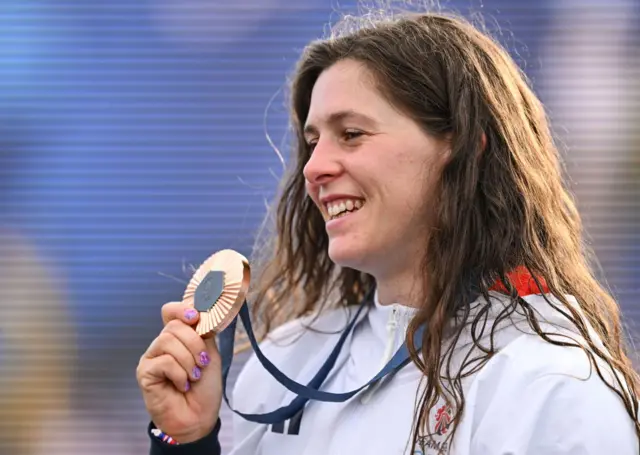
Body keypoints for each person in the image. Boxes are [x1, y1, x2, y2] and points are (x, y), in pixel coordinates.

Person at [136, 11, 640, 455]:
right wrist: (188, 441)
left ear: (463, 149)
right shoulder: (286, 363)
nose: (313, 168)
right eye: (312, 142)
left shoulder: (551, 387)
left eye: (351, 134)